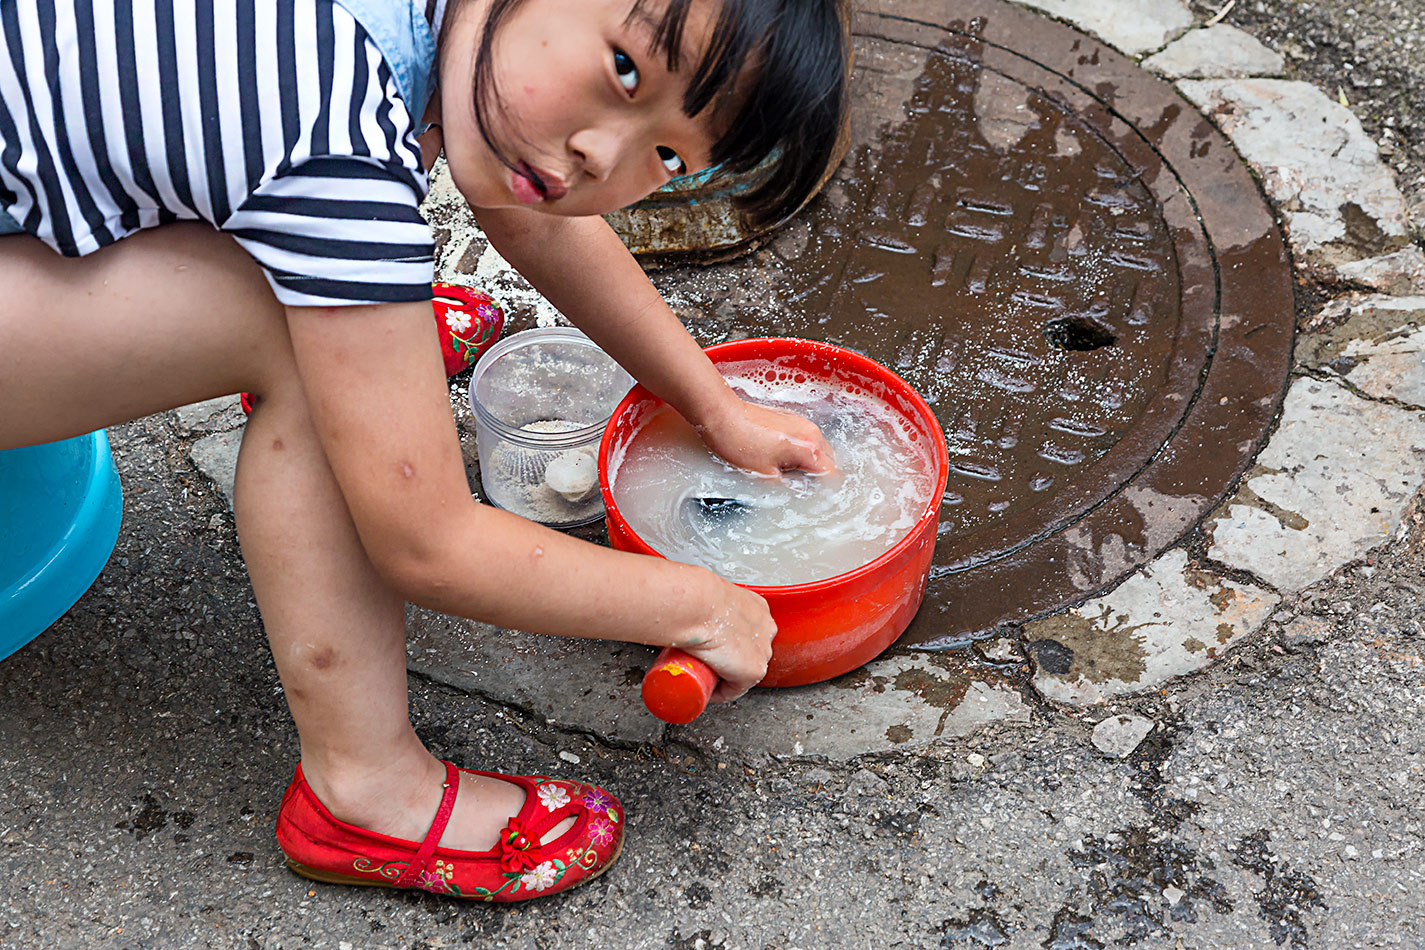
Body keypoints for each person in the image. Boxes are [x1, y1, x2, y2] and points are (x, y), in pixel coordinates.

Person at [0, 0, 848, 902]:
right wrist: (699, 605)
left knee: (345, 249)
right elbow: (427, 544)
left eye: (669, 156)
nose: (606, 155)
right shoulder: (325, 127)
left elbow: (532, 213)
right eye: (626, 70)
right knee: (289, 329)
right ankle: (367, 793)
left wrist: (708, 402)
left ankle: (354, 310)